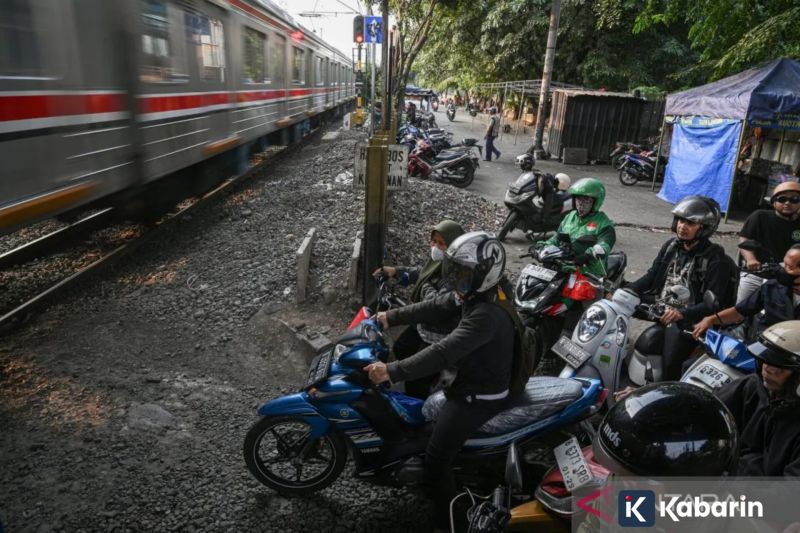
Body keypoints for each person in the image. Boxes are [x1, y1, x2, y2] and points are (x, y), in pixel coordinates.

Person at [364, 232, 517, 533]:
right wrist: (390, 316)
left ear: (485, 273)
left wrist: (391, 371)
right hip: (469, 377)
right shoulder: (479, 292)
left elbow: (443, 352)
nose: (457, 279)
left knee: (436, 458)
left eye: (463, 273)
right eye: (455, 271)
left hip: (478, 394)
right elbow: (437, 305)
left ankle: (451, 524)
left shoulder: (487, 314)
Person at [626, 195, 736, 381]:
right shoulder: (671, 246)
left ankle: (669, 387)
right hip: (662, 306)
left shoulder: (716, 260)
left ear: (704, 228)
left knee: (671, 364)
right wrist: (627, 290)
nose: (682, 226)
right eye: (681, 220)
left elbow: (713, 304)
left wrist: (682, 313)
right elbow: (652, 276)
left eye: (690, 223)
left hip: (690, 319)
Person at [373, 219, 465, 399]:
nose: (435, 247)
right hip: (424, 324)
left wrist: (424, 286)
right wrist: (396, 271)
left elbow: (436, 304)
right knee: (401, 347)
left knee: (417, 377)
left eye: (441, 243)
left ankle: (420, 404)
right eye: (434, 241)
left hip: (439, 334)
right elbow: (423, 273)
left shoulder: (458, 273)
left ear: (454, 245)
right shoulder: (439, 263)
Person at [715, 321, 800, 476]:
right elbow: (710, 411)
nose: (767, 369)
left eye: (780, 366)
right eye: (765, 360)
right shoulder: (752, 387)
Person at [693, 244, 800, 340]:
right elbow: (739, 312)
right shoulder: (772, 287)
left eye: (789, 267)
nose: (783, 269)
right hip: (766, 345)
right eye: (784, 264)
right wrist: (710, 320)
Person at [737, 180, 800, 304]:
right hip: (756, 273)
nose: (788, 203)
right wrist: (751, 260)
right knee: (741, 307)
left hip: (788, 277)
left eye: (794, 199)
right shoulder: (759, 216)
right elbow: (745, 239)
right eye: (782, 199)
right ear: (774, 202)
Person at [538, 177, 615, 278]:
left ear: (596, 202)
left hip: (590, 273)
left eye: (586, 199)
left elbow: (603, 246)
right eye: (578, 198)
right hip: (565, 267)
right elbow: (557, 238)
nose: (580, 203)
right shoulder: (570, 216)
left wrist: (587, 255)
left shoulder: (604, 224)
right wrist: (542, 246)